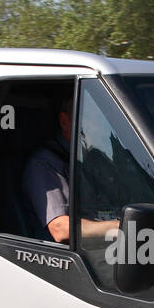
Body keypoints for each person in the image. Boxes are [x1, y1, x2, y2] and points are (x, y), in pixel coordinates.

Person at [22, 97, 118, 244]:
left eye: (102, 120)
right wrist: (121, 227)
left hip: (104, 246)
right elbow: (60, 229)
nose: (101, 127)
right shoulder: (44, 164)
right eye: (91, 119)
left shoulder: (94, 158)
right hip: (67, 258)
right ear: (65, 122)